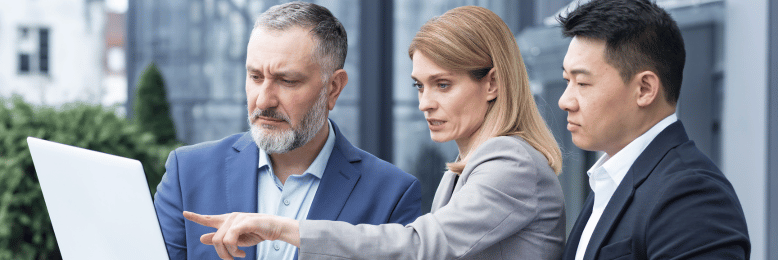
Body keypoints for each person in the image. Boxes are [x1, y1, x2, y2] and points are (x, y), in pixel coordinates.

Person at [183, 6, 566, 260]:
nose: (425, 103)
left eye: (443, 85)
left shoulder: (511, 163)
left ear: (493, 84)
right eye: (419, 86)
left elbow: (419, 247)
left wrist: (282, 229)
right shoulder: (472, 168)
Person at [153, 2, 422, 260]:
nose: (262, 101)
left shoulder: (392, 195)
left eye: (287, 81)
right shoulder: (186, 172)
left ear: (334, 88)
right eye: (255, 77)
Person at [556, 0, 750, 259]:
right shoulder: (609, 183)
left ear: (645, 89)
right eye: (567, 81)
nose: (564, 101)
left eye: (582, 82)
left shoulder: (691, 195)